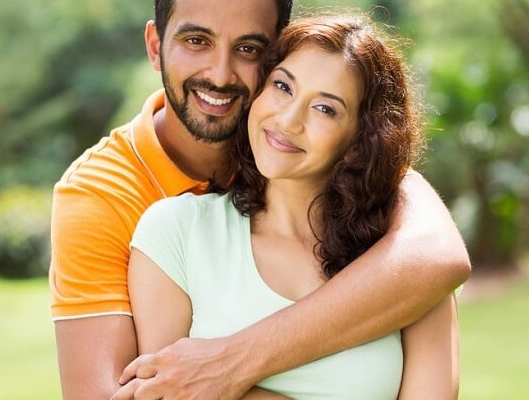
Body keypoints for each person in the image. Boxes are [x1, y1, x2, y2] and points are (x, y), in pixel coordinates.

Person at [49, 0, 470, 399]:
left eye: (248, 48)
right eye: (196, 40)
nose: (220, 74)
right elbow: (127, 393)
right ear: (156, 47)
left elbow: (439, 256)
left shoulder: (373, 201)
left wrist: (231, 364)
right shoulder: (109, 199)